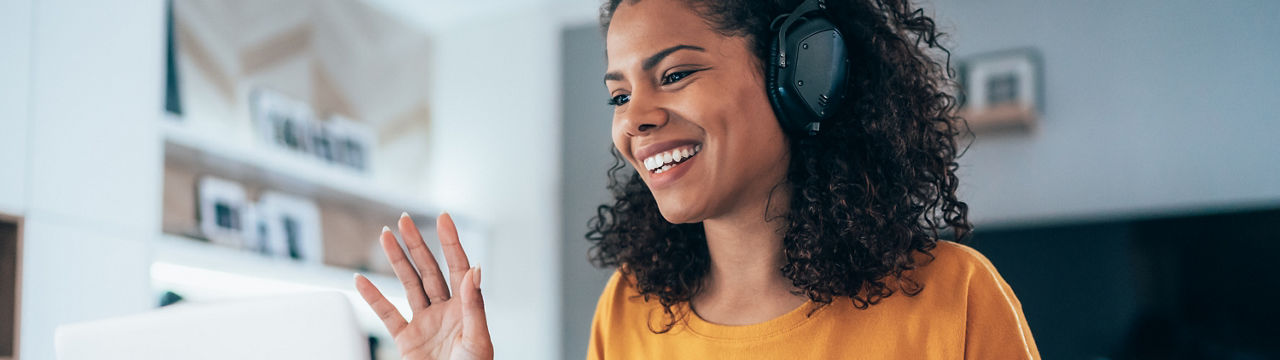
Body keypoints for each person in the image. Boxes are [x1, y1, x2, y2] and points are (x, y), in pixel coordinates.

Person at [353, 0, 1040, 358]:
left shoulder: (954, 298)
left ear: (802, 73)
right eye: (619, 94)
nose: (637, 119)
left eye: (675, 74)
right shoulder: (631, 309)